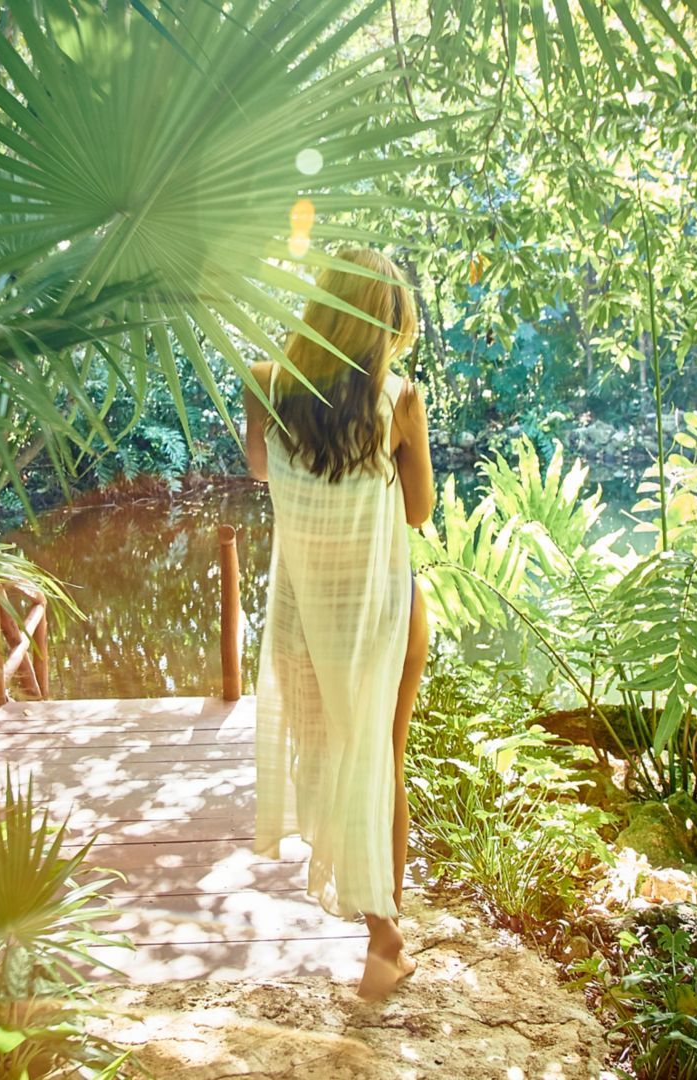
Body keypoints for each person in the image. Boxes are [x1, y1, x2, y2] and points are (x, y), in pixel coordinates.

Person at [243, 247, 433, 1000]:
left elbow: (262, 471)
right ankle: (384, 939)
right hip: (382, 607)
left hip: (304, 611)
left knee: (327, 760)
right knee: (383, 759)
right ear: (385, 319)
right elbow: (417, 513)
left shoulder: (265, 384)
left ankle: (377, 927)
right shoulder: (399, 402)